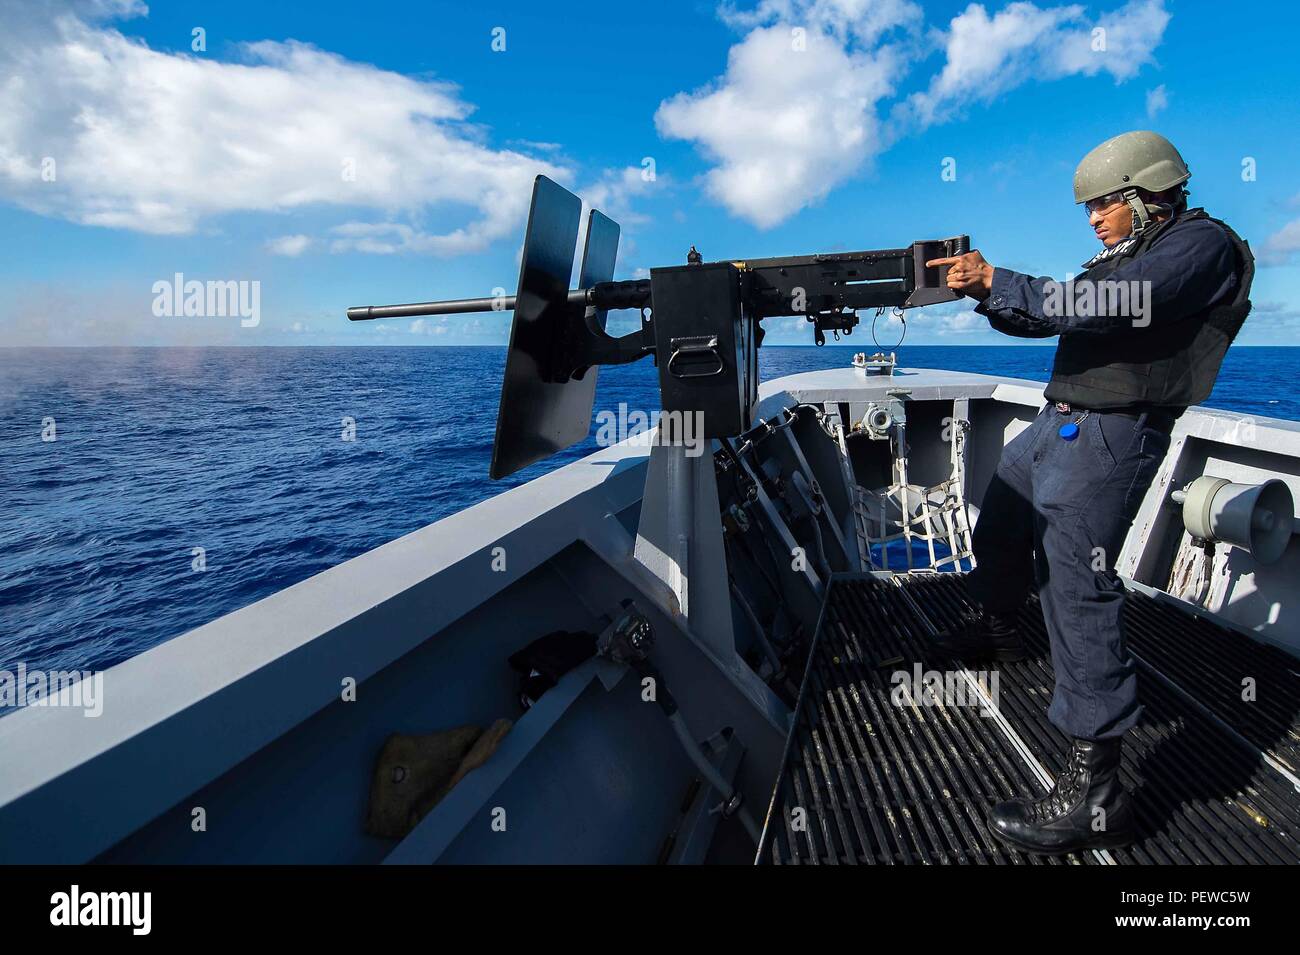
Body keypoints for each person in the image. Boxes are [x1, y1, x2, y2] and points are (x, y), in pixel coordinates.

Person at [924, 130, 1255, 854]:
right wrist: (984, 290)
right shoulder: (1131, 253)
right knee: (1001, 524)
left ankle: (1096, 789)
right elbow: (1059, 310)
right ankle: (1003, 632)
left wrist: (1000, 280)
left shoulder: (1201, 248)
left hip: (1113, 434)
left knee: (1077, 589)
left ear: (1147, 194)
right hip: (1061, 421)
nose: (1094, 218)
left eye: (1105, 203)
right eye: (1090, 208)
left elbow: (1105, 304)